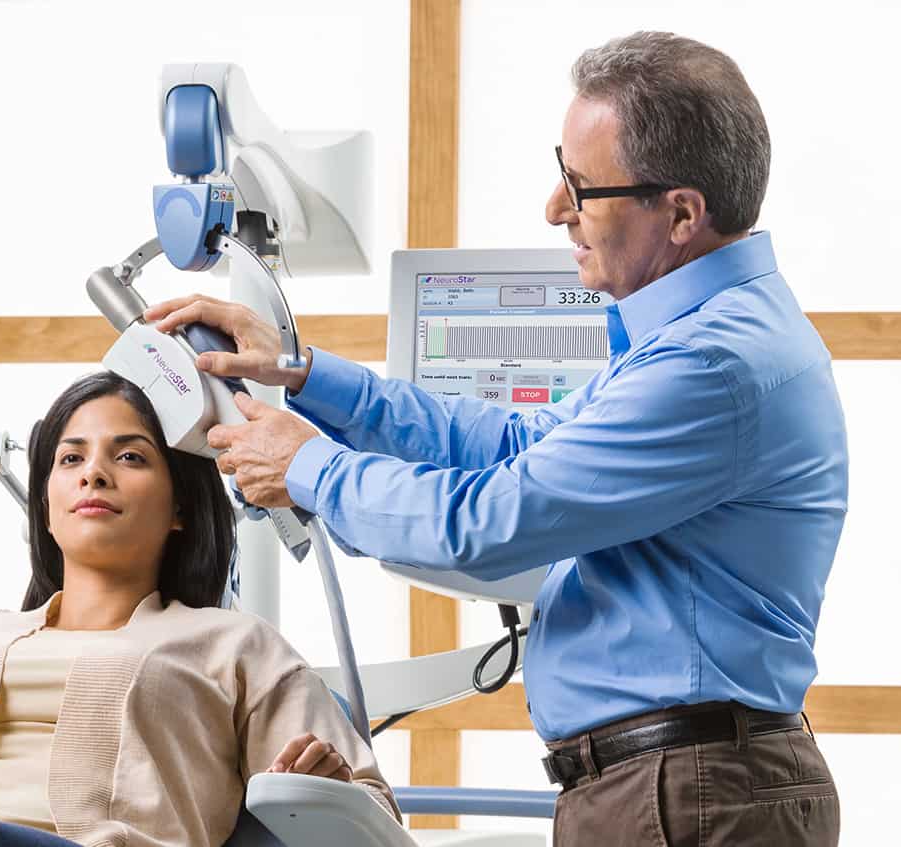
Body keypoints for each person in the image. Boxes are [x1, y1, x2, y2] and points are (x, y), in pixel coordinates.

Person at [143, 31, 846, 847]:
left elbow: (489, 519)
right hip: (673, 781)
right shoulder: (693, 338)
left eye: (580, 188)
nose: (555, 208)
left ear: (682, 213)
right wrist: (301, 371)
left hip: (686, 790)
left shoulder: (708, 365)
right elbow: (512, 441)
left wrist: (307, 468)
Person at [0, 371, 398, 847]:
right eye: (70, 460)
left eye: (130, 457)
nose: (93, 472)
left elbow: (373, 812)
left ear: (179, 508)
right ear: (46, 506)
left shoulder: (235, 645)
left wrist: (328, 792)